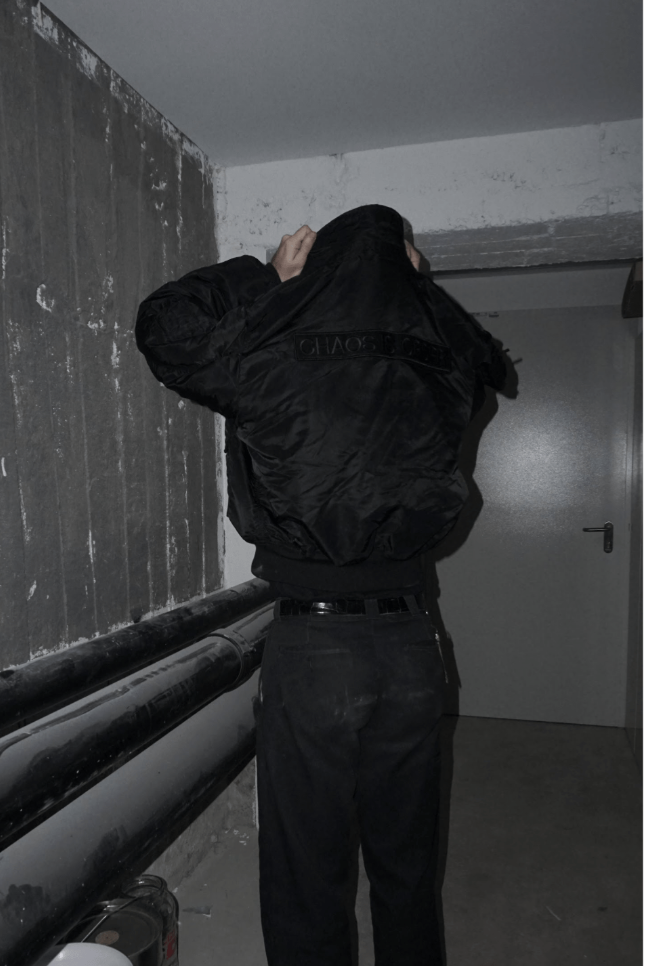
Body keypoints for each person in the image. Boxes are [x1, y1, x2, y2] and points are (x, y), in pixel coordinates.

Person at [136, 204, 506, 966]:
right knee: (408, 866)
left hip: (315, 649)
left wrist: (266, 279)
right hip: (413, 647)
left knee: (308, 874)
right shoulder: (444, 360)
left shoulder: (272, 346)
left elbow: (164, 327)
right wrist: (416, 292)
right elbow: (484, 368)